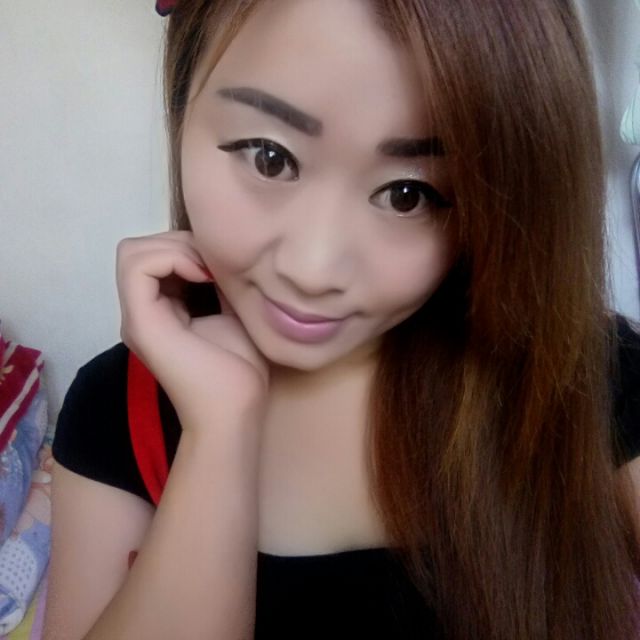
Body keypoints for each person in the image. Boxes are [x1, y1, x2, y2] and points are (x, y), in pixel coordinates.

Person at [43, 0, 640, 638]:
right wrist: (217, 434)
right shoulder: (116, 409)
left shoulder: (584, 378)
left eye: (408, 195)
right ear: (182, 105)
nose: (314, 268)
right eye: (269, 158)